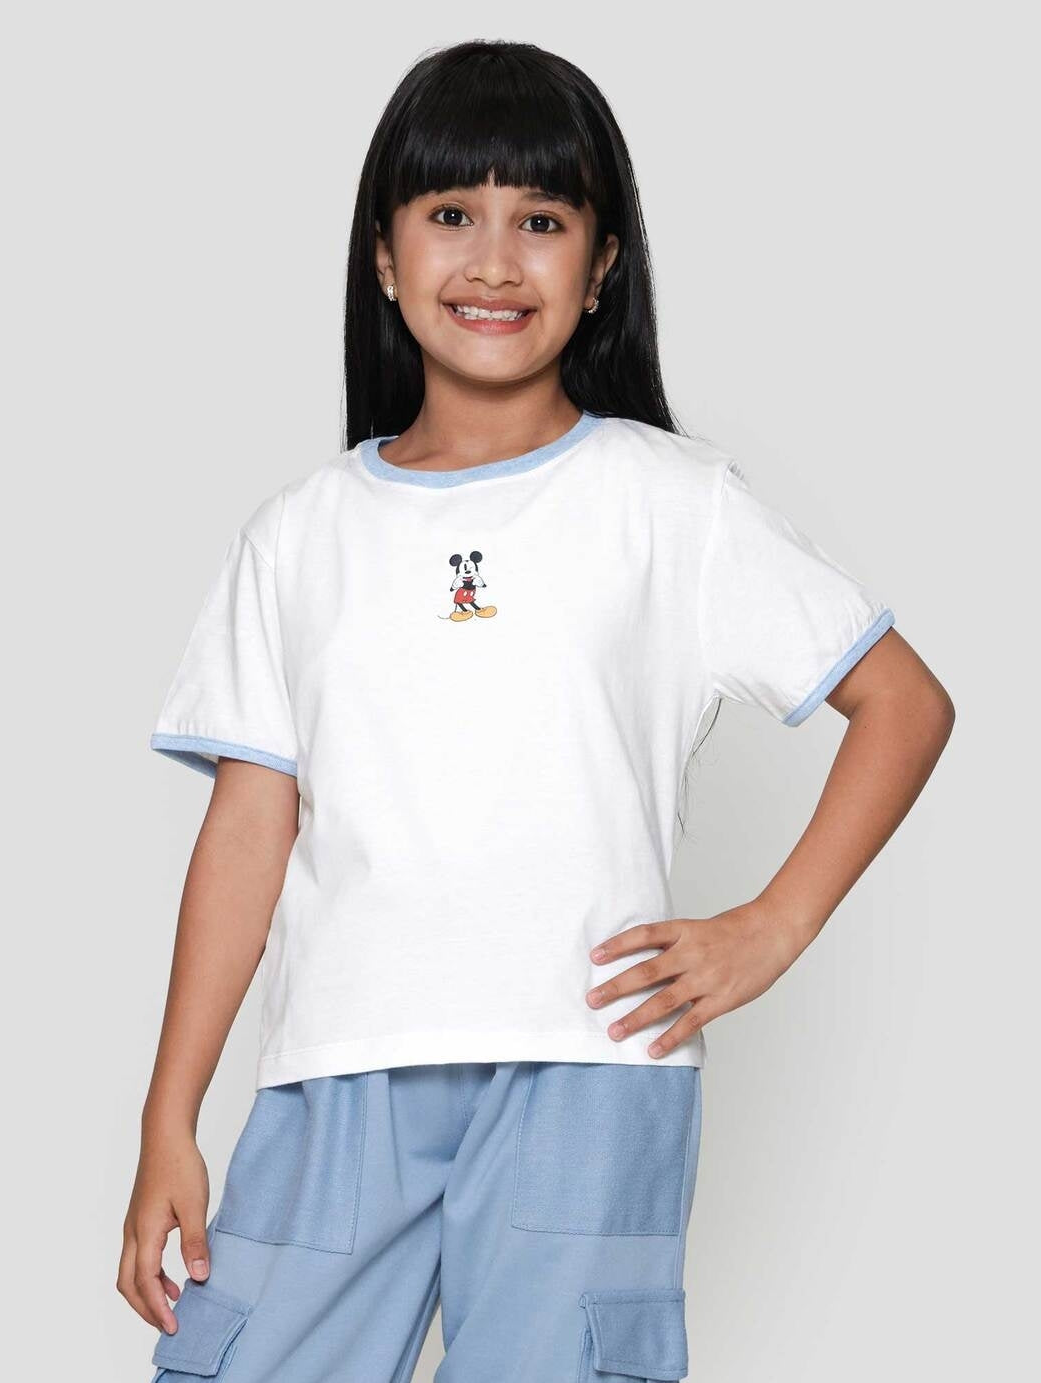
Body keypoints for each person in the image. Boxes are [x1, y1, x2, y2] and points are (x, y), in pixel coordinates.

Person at [120, 39, 954, 1383]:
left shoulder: (670, 503)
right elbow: (248, 831)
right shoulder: (299, 536)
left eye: (544, 222)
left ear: (603, 265)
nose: (496, 263)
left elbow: (903, 703)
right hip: (338, 1071)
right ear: (383, 255)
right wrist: (172, 1116)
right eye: (453, 214)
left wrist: (772, 925)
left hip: (592, 1070)